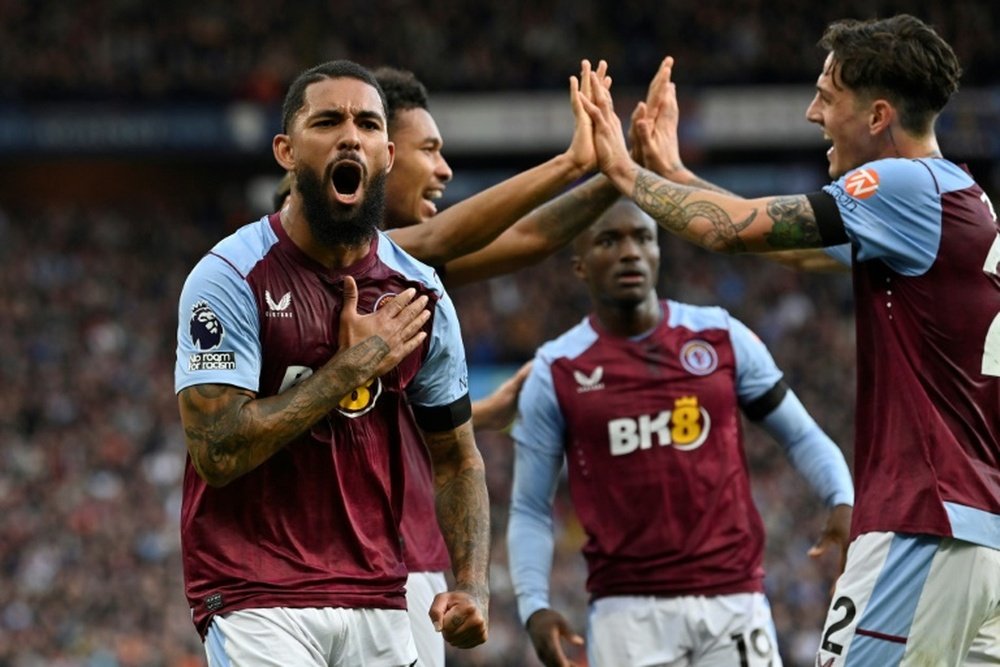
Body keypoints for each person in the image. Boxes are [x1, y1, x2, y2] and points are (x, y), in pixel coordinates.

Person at [581, 14, 1000, 666]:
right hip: (979, 534)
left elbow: (733, 229)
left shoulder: (904, 185)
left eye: (827, 97)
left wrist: (623, 170)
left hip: (926, 522)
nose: (812, 113)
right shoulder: (957, 199)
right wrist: (673, 170)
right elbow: (792, 246)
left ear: (879, 115)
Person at [174, 59, 490, 665]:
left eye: (368, 124)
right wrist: (350, 369)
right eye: (328, 121)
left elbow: (456, 456)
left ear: (387, 154)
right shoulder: (230, 276)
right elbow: (217, 452)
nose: (351, 135)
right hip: (256, 592)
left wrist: (472, 583)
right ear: (287, 151)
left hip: (378, 590)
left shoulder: (417, 291)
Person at [507, 199, 854, 666]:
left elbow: (801, 435)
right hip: (626, 613)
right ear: (580, 266)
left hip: (734, 599)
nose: (630, 252)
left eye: (643, 238)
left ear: (658, 252)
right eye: (610, 241)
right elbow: (530, 505)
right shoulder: (557, 370)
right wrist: (534, 606)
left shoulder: (721, 337)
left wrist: (841, 497)